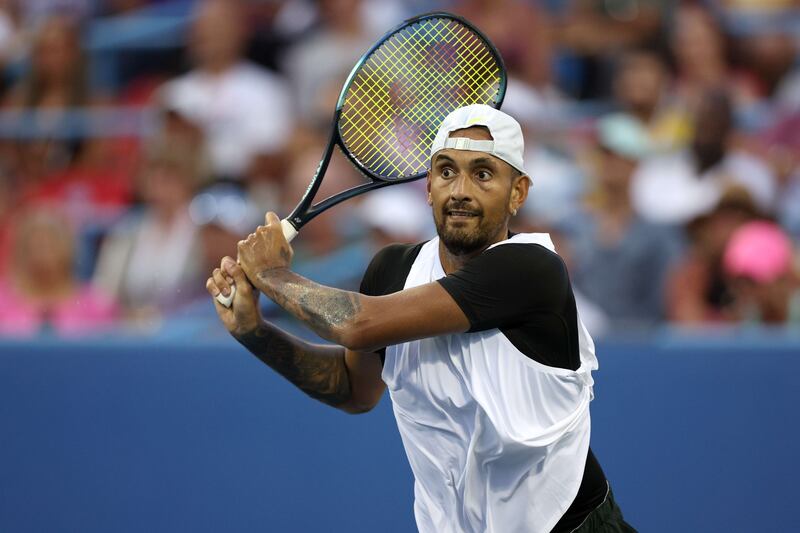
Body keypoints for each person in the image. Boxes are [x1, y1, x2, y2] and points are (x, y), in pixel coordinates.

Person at [206, 105, 635, 532]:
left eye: (483, 174)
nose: (460, 190)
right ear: (428, 185)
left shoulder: (532, 270)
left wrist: (271, 275)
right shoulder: (391, 271)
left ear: (518, 192)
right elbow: (355, 389)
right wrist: (254, 332)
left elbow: (356, 325)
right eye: (447, 171)